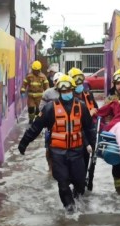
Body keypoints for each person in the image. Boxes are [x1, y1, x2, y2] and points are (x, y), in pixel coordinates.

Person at [18, 75, 96, 213]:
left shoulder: (81, 107)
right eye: (63, 91)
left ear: (72, 90)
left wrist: (94, 146)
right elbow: (36, 127)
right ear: (59, 91)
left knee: (80, 183)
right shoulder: (49, 108)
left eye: (68, 91)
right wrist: (24, 143)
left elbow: (89, 128)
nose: (66, 94)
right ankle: (71, 213)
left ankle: (78, 202)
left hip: (77, 152)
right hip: (58, 154)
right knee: (63, 184)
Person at [68, 67, 99, 173]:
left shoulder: (88, 94)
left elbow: (96, 109)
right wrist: (89, 115)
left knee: (86, 162)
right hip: (76, 136)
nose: (79, 84)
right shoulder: (68, 99)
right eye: (76, 82)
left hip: (88, 133)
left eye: (80, 81)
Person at [39, 71, 63, 172]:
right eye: (56, 81)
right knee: (48, 148)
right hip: (50, 126)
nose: (59, 83)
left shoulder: (68, 92)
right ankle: (50, 168)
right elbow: (41, 108)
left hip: (64, 125)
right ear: (53, 82)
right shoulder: (48, 93)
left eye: (61, 81)